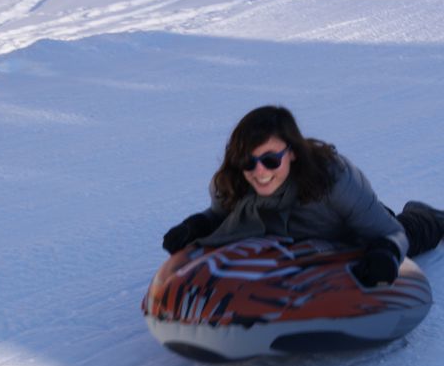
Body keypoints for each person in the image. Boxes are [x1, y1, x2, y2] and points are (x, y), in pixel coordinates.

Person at [162, 106, 444, 287]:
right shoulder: (232, 181)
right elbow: (221, 217)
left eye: (271, 160)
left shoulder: (333, 178)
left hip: (351, 229)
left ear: (292, 152)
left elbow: (390, 233)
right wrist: (195, 226)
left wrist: (385, 253)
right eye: (248, 162)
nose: (259, 172)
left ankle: (428, 215)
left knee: (411, 233)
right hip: (299, 244)